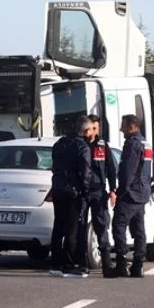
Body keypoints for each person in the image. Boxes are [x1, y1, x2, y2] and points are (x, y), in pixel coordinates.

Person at [49, 115, 92, 278]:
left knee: (58, 226)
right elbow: (85, 172)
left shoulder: (59, 143)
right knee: (72, 228)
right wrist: (86, 192)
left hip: (58, 188)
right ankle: (69, 264)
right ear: (86, 130)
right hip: (73, 191)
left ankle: (55, 263)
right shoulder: (83, 147)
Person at [112, 114, 151, 278]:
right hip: (142, 192)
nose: (121, 129)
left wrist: (120, 191)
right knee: (138, 229)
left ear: (131, 126)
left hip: (131, 193)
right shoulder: (145, 142)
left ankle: (121, 263)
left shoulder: (132, 144)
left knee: (119, 225)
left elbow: (128, 170)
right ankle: (138, 265)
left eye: (123, 126)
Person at [84, 114, 119, 276]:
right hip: (82, 192)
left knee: (101, 226)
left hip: (98, 191)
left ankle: (106, 264)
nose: (95, 132)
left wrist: (113, 190)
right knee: (79, 226)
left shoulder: (102, 146)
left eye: (97, 129)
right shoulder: (80, 144)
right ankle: (79, 262)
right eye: (93, 128)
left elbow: (112, 169)